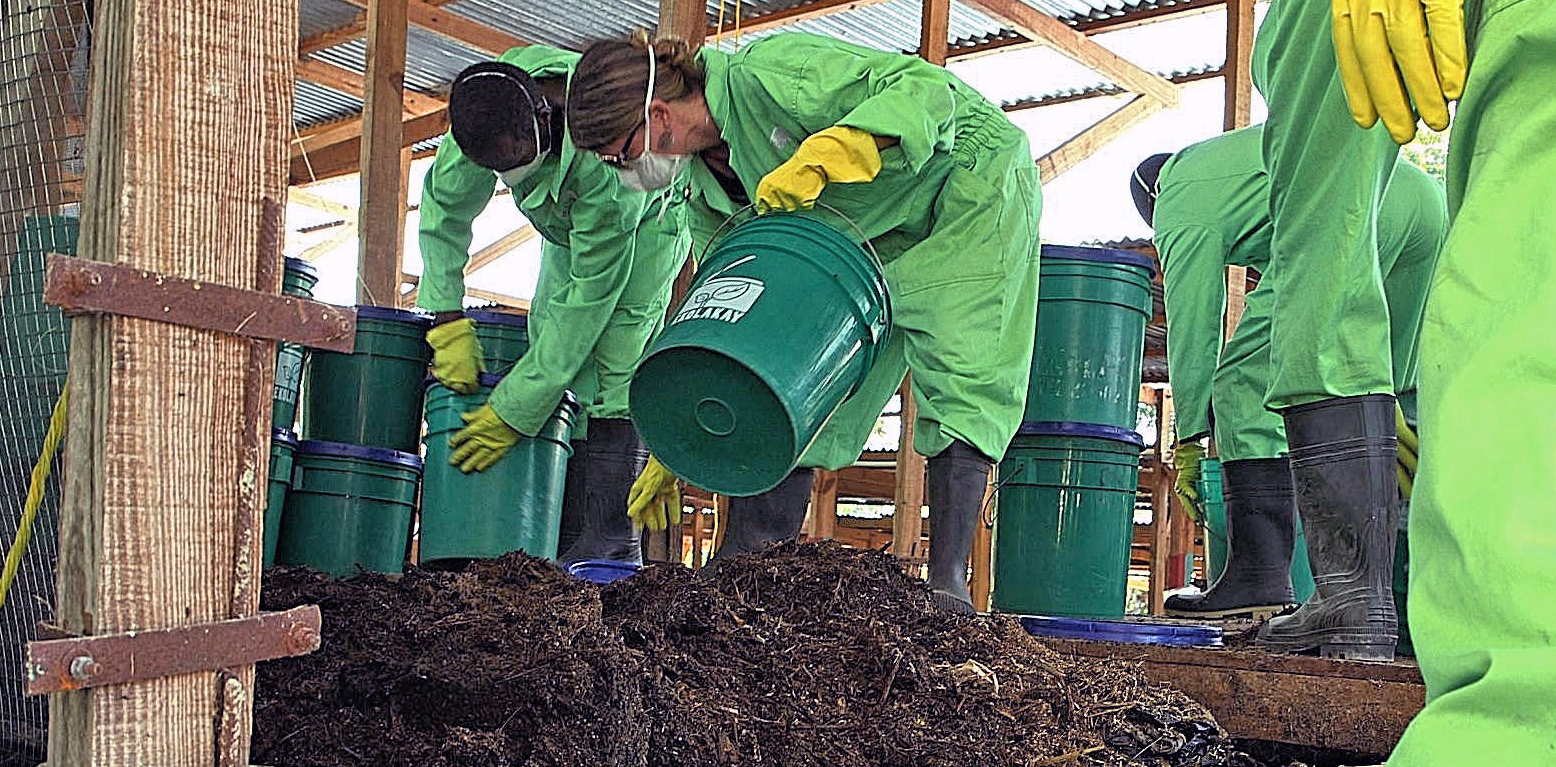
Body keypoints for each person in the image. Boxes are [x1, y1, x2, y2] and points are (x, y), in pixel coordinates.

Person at [564, 31, 1042, 613]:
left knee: (964, 364)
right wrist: (678, 432)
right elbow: (736, 308)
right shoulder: (700, 192)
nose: (625, 171)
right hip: (859, 238)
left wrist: (830, 153)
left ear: (657, 113)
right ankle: (747, 571)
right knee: (802, 378)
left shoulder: (765, 74)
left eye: (621, 154)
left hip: (963, 181)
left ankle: (946, 583)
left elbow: (923, 90)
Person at [1326, 0, 1556, 762]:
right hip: (1423, 206)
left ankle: (1355, 608)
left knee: (1520, 275)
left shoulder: (1192, 185)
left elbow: (1315, 263)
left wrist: (1197, 418)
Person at [1131, 124, 1446, 621]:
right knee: (1397, 388)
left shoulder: (1175, 196)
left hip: (1346, 210)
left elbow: (1193, 322)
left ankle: (1259, 576)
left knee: (1242, 383)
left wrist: (1189, 433)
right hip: (1424, 203)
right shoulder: (1230, 174)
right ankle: (1416, 595)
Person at [417, 46, 691, 567]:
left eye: (519, 160)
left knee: (614, 357)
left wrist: (512, 408)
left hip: (644, 233)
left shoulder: (609, 169)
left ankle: (608, 540)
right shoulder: (485, 108)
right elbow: (445, 208)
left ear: (545, 117)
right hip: (566, 233)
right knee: (550, 341)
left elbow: (590, 299)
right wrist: (446, 317)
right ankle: (556, 526)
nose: (512, 175)